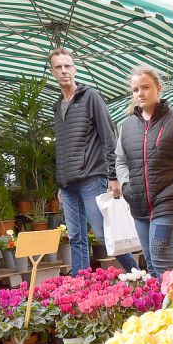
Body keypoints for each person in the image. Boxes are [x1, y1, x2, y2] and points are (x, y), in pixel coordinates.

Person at [49, 47, 138, 275]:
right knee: (76, 236)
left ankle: (138, 272)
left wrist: (113, 175)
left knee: (103, 232)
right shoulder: (57, 106)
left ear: (74, 69)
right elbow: (62, 146)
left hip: (91, 177)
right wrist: (60, 182)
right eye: (58, 67)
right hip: (68, 185)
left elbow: (108, 135)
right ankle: (82, 280)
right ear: (52, 72)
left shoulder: (91, 97)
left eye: (67, 66)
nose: (64, 71)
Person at [116, 66, 173, 277]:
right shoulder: (127, 126)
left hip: (170, 202)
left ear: (158, 88)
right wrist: (126, 186)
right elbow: (120, 161)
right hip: (139, 205)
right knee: (150, 261)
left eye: (145, 87)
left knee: (161, 258)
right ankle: (162, 308)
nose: (140, 93)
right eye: (135, 90)